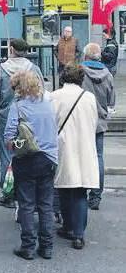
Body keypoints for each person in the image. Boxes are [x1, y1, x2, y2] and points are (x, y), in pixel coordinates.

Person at [4, 71, 58, 260]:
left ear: (19, 87)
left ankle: (28, 246)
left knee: (26, 204)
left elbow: (9, 137)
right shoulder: (48, 104)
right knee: (46, 205)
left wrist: (13, 147)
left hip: (27, 159)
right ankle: (47, 246)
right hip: (49, 158)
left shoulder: (18, 107)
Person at [0, 38, 44, 208]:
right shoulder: (34, 69)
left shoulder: (1, 69)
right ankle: (27, 191)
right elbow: (42, 90)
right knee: (29, 152)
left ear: (11, 49)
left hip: (5, 116)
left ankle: (8, 193)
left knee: (7, 154)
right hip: (30, 117)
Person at [51, 64, 99, 250]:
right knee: (80, 192)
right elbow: (94, 123)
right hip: (85, 146)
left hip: (64, 146)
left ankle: (68, 226)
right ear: (81, 78)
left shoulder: (55, 96)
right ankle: (79, 235)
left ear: (63, 77)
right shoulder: (89, 98)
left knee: (64, 188)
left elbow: (52, 123)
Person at [81, 43, 115, 211]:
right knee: (98, 157)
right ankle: (96, 196)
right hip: (99, 122)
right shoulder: (107, 74)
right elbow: (111, 101)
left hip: (81, 121)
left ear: (85, 56)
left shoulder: (80, 72)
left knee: (80, 156)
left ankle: (80, 192)